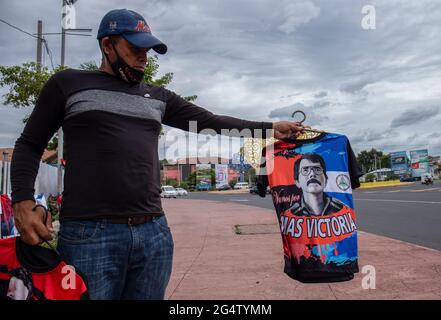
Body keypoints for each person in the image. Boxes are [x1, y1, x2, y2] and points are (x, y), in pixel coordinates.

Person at [10, 9, 304, 300]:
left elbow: (212, 121)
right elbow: (30, 144)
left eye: (147, 50)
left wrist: (269, 128)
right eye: (135, 48)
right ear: (107, 45)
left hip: (153, 233)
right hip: (90, 235)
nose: (143, 56)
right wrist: (22, 203)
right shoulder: (68, 84)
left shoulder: (158, 97)